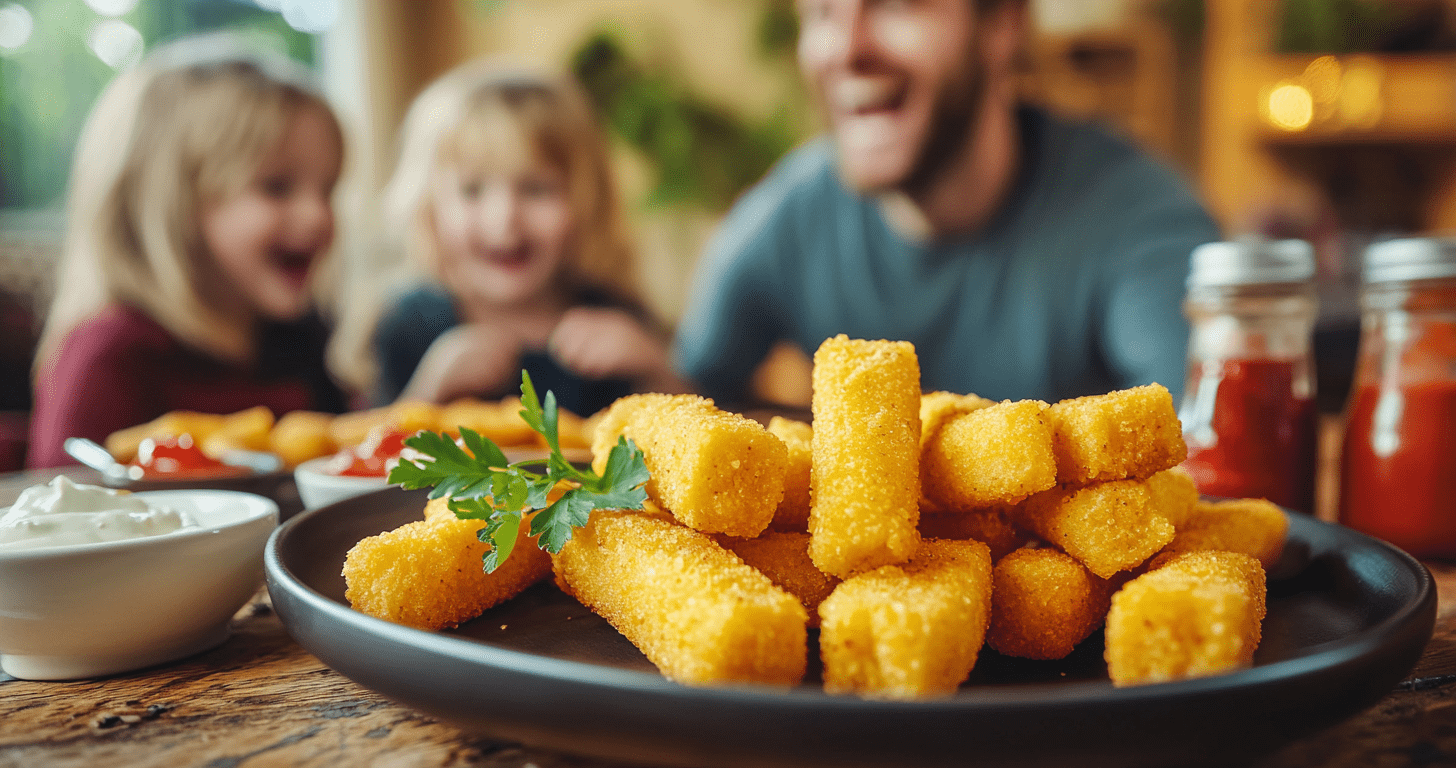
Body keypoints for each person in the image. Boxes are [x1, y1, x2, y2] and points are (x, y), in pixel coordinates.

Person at [674, 0, 1222, 405]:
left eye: (893, 5)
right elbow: (684, 401)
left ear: (1002, 24)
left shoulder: (1138, 217)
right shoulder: (785, 217)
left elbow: (1211, 456)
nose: (846, 48)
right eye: (821, 13)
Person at [27, 41, 348, 468]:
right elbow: (61, 509)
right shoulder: (110, 356)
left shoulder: (300, 337)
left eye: (327, 189)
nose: (319, 215)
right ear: (173, 206)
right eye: (276, 187)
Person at [369, 62, 686, 417]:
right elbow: (366, 454)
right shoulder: (411, 324)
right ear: (428, 209)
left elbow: (687, 436)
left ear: (585, 201)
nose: (505, 217)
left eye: (537, 189)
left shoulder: (615, 316)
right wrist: (429, 391)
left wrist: (654, 367)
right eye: (472, 190)